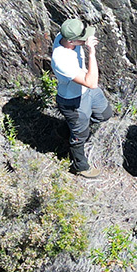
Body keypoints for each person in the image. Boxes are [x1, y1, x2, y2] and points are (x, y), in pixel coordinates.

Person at [52, 18, 115, 178]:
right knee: (80, 136)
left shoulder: (66, 35)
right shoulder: (61, 59)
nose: (87, 39)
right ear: (72, 40)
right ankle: (80, 166)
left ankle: (66, 129)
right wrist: (91, 52)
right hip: (74, 101)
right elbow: (91, 82)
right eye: (84, 37)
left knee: (104, 113)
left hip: (86, 91)